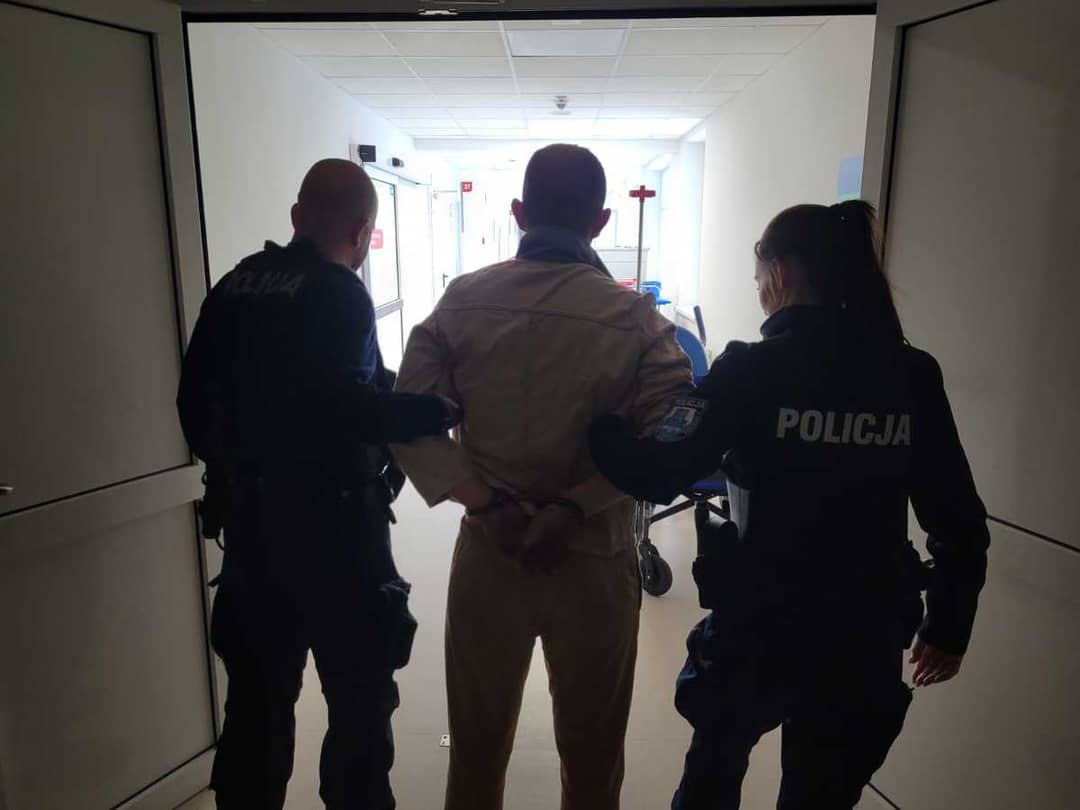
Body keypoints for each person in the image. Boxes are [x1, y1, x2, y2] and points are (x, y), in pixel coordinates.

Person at [589, 201, 991, 810]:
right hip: (863, 631)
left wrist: (598, 424)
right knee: (821, 794)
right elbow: (956, 514)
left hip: (760, 623)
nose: (760, 294)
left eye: (759, 280)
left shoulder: (753, 370)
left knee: (712, 779)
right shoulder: (911, 374)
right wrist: (950, 624)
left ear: (780, 273)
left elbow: (657, 471)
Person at [392, 144, 693, 810]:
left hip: (489, 553)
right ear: (602, 221)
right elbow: (673, 440)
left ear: (519, 212)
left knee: (475, 752)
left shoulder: (461, 303)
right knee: (593, 760)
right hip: (594, 557)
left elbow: (407, 421)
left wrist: (487, 504)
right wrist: (576, 506)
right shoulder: (637, 319)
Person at [177, 158, 460, 810]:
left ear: (297, 217)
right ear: (362, 234)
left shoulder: (235, 285)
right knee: (360, 711)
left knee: (255, 711)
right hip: (338, 540)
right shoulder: (340, 293)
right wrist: (434, 410)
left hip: (253, 536)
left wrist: (246, 463)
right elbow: (349, 410)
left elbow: (194, 408)